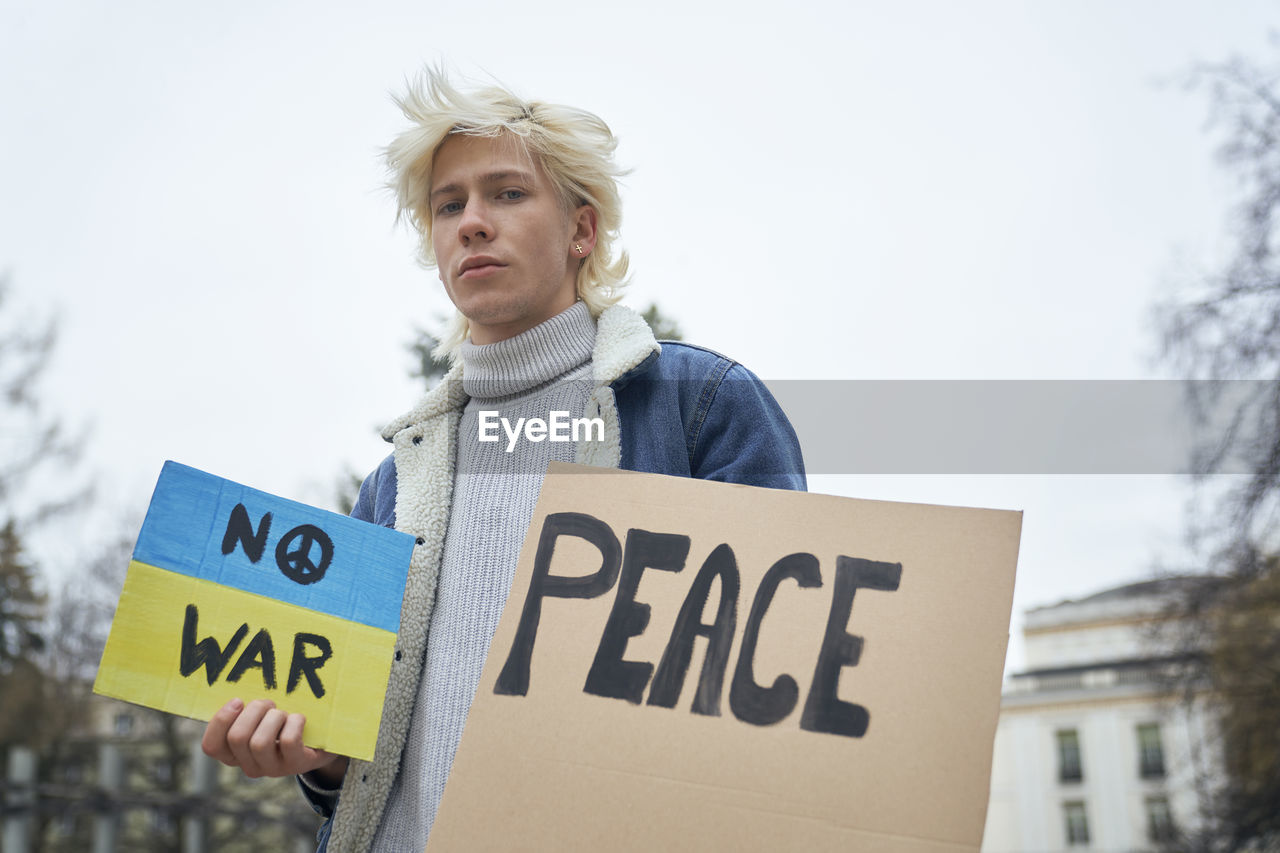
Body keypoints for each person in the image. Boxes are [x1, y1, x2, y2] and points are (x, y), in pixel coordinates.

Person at [200, 69, 806, 852]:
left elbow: (787, 698)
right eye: (449, 205)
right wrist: (315, 761)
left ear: (582, 231)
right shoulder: (392, 484)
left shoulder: (701, 405)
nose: (472, 223)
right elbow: (356, 773)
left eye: (508, 194)